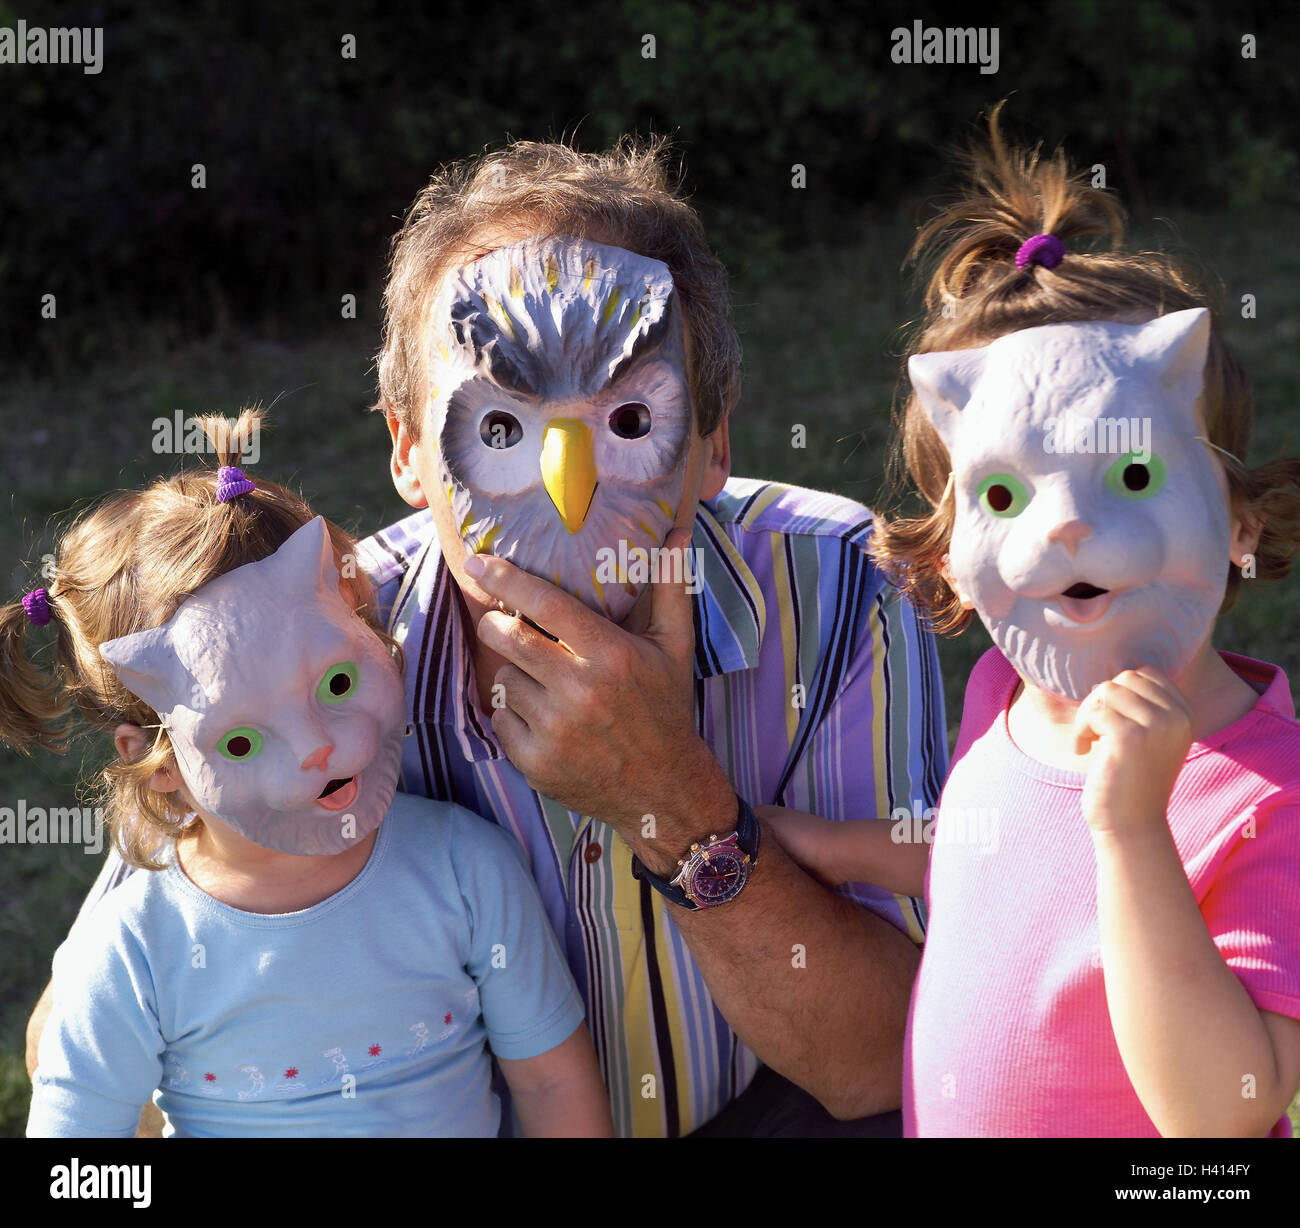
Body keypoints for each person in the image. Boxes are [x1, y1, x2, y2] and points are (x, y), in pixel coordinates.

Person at [31, 137, 949, 1137]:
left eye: (629, 416)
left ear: (714, 441)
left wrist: (670, 799)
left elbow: (884, 1068)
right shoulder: (317, 644)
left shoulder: (839, 581)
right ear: (407, 449)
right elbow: (93, 1005)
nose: (571, 486)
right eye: (500, 428)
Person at [762, 113, 1300, 1136]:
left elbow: (1221, 1115)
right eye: (1004, 495)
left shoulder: (1267, 795)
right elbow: (998, 860)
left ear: (1237, 520)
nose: (1061, 523)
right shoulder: (1008, 699)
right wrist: (839, 850)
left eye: (1132, 475)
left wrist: (1133, 826)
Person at [9, 412, 612, 1137]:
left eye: (335, 684)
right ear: (160, 764)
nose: (315, 749)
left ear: (365, 625)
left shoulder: (464, 871)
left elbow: (552, 1084)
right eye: (238, 740)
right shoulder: (135, 950)